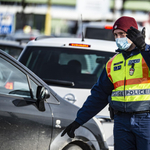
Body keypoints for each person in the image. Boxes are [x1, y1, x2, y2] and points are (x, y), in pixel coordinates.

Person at [61, 16, 150, 150]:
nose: (118, 38)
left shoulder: (146, 54)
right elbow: (99, 95)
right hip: (121, 122)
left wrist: (144, 49)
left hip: (145, 120)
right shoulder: (113, 62)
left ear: (132, 33)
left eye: (122, 34)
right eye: (115, 35)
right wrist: (79, 120)